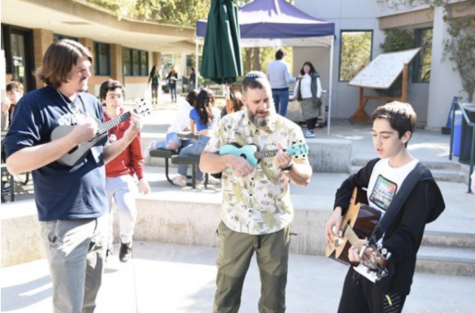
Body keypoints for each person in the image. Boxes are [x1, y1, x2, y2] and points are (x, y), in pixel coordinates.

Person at [3, 39, 141, 313]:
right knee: (69, 306)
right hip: (63, 220)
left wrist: (127, 139)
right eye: (82, 69)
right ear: (61, 70)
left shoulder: (90, 102)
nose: (89, 75)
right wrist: (71, 139)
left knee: (89, 303)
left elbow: (96, 156)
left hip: (98, 216)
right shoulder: (34, 104)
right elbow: (15, 163)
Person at [200, 71, 313, 313]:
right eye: (256, 102)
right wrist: (229, 159)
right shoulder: (228, 125)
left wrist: (289, 166)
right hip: (235, 225)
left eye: (267, 100)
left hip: (274, 227)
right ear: (244, 101)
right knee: (225, 300)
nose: (263, 107)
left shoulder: (289, 131)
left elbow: (305, 178)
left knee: (273, 303)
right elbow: (205, 163)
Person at [325, 101, 445, 313]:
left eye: (386, 136)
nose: (377, 142)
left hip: (390, 278)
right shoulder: (376, 166)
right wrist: (338, 211)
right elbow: (348, 184)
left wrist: (373, 250)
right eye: (374, 134)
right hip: (358, 269)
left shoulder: (419, 182)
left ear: (405, 136)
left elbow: (407, 237)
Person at [100, 79, 150, 263]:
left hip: (123, 175)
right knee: (102, 217)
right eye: (112, 96)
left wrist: (142, 177)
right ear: (104, 99)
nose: (116, 100)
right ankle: (104, 247)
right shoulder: (97, 120)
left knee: (128, 210)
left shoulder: (130, 120)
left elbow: (137, 154)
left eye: (119, 96)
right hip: (101, 177)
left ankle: (126, 241)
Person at [172, 88, 220, 187]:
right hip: (215, 144)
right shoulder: (216, 111)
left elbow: (193, 132)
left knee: (184, 152)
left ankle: (182, 178)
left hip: (203, 141)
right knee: (202, 156)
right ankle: (199, 180)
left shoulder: (193, 111)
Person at [145, 89, 198, 154]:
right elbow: (184, 127)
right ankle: (154, 144)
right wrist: (194, 132)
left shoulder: (195, 109)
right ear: (194, 100)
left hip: (186, 137)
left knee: (198, 146)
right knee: (173, 145)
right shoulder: (184, 108)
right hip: (174, 133)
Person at [294, 61, 323, 138]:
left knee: (314, 115)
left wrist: (317, 97)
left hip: (312, 98)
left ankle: (310, 130)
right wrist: (295, 95)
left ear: (311, 68)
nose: (306, 68)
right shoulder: (301, 77)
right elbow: (297, 86)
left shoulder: (314, 76)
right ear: (303, 68)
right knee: (308, 115)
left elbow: (318, 87)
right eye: (305, 66)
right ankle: (310, 130)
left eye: (308, 67)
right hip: (304, 99)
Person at [266, 48, 297, 117]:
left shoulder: (270, 65)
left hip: (272, 89)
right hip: (283, 89)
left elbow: (266, 78)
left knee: (274, 110)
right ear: (283, 56)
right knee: (283, 110)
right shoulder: (285, 65)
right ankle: (281, 124)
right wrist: (297, 79)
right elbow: (288, 80)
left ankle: (275, 125)